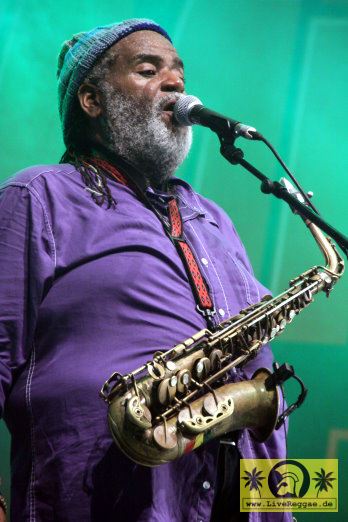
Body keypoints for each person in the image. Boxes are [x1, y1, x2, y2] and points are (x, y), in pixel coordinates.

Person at [0, 19, 290, 522]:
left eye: (178, 71)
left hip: (234, 498)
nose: (176, 83)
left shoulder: (213, 218)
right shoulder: (37, 195)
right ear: (92, 101)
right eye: (147, 69)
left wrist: (279, 510)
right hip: (96, 496)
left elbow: (259, 368)